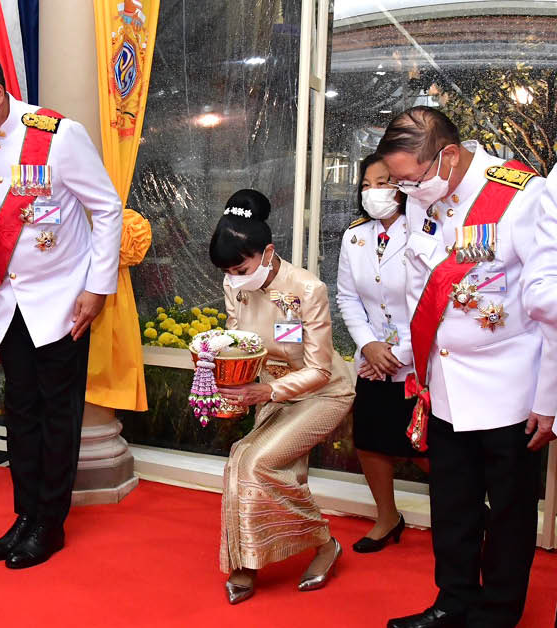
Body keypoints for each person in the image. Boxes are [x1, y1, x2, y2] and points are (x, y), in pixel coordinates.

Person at [0, 46, 122, 569]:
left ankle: (50, 522)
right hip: (9, 301)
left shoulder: (57, 136)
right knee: (19, 414)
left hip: (63, 301)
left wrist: (97, 286)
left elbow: (106, 208)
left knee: (56, 413)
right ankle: (24, 514)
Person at [378, 106, 556, 628]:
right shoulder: (422, 198)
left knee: (509, 514)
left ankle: (498, 615)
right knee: (452, 506)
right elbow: (419, 289)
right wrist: (417, 371)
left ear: (448, 155)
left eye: (413, 178)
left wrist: (549, 400)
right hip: (447, 386)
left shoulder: (523, 195)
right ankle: (452, 604)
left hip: (512, 390)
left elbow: (549, 310)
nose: (408, 191)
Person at [210, 189, 354, 604]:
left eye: (241, 267)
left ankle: (324, 543)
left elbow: (320, 369)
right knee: (246, 462)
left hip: (323, 392)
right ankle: (247, 558)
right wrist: (219, 373)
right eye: (228, 271)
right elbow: (238, 338)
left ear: (268, 251)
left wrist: (267, 390)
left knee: (254, 460)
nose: (235, 278)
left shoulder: (307, 289)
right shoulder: (234, 283)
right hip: (269, 389)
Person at [336, 154, 428, 553]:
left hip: (418, 361)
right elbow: (347, 297)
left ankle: (463, 521)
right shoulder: (355, 235)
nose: (374, 192)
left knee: (426, 446)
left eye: (384, 182)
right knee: (371, 441)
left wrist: (401, 352)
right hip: (373, 362)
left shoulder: (427, 232)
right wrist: (368, 346)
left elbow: (431, 300)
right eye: (367, 184)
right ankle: (387, 517)